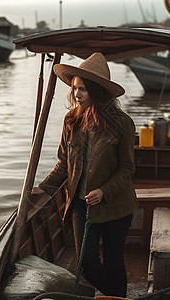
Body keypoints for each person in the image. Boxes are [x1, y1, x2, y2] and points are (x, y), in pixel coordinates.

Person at [32, 52, 138, 297]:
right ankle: (117, 298)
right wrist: (44, 188)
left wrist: (104, 191)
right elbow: (63, 164)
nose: (77, 94)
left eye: (83, 89)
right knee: (87, 263)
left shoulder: (123, 123)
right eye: (75, 88)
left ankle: (115, 298)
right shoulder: (71, 121)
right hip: (80, 204)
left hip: (116, 207)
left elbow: (127, 169)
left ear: (98, 92)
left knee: (114, 263)